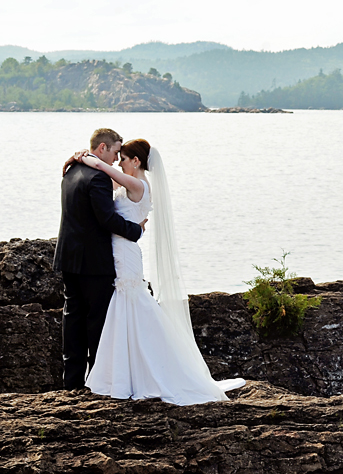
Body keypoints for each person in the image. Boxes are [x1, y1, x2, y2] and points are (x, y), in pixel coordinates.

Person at [69, 138, 244, 405]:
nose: (119, 162)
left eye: (123, 158)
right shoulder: (129, 183)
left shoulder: (137, 184)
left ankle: (137, 374)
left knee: (130, 304)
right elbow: (106, 183)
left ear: (135, 161)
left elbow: (106, 171)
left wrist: (83, 156)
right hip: (117, 251)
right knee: (126, 308)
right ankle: (126, 373)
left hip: (125, 253)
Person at [55, 128, 145, 389]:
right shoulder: (98, 178)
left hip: (68, 256)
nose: (117, 158)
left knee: (72, 317)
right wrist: (135, 230)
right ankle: (97, 380)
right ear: (103, 148)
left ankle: (71, 381)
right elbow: (105, 219)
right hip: (94, 261)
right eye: (116, 151)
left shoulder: (71, 170)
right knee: (97, 321)